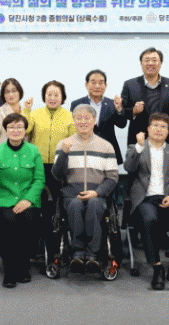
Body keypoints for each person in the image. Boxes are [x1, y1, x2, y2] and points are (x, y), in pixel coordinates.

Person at [124, 112, 169, 290]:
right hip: (146, 199)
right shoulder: (136, 147)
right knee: (149, 219)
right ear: (148, 128)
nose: (159, 129)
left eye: (163, 126)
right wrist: (139, 147)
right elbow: (128, 167)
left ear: (168, 131)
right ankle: (157, 267)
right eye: (155, 125)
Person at [0, 113, 44, 288]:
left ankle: (23, 266)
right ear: (6, 130)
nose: (16, 131)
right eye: (11, 127)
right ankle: (9, 270)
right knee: (9, 222)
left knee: (29, 220)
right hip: (3, 200)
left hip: (28, 200)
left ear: (25, 130)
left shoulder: (34, 151)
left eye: (19, 127)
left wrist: (28, 200)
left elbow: (39, 179)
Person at [52, 105, 118, 273]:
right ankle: (78, 252)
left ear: (94, 121)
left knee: (94, 204)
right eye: (79, 118)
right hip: (71, 194)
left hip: (98, 194)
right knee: (75, 205)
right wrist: (64, 153)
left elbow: (112, 177)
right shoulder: (64, 144)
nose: (83, 122)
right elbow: (57, 174)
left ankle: (93, 254)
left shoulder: (106, 146)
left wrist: (97, 192)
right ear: (74, 121)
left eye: (87, 118)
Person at [121, 47, 169, 148]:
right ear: (141, 63)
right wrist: (133, 111)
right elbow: (122, 114)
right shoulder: (130, 85)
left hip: (166, 141)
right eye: (147, 60)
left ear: (160, 63)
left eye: (154, 60)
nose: (150, 63)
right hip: (138, 141)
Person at [25, 80, 76, 198]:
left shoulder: (69, 116)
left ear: (62, 97)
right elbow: (25, 130)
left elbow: (73, 140)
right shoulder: (35, 114)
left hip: (59, 164)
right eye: (49, 94)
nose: (52, 98)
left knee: (58, 195)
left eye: (56, 95)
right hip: (38, 163)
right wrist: (27, 110)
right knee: (37, 195)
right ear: (44, 96)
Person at [70, 69, 128, 165]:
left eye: (101, 83)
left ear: (105, 85)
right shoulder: (77, 104)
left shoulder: (112, 104)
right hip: (84, 150)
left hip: (108, 150)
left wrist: (119, 109)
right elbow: (74, 127)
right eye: (93, 83)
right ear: (86, 85)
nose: (97, 86)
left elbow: (122, 125)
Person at [0, 78, 29, 145]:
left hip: (23, 150)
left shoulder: (26, 111)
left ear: (20, 92)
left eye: (14, 91)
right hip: (3, 150)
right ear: (3, 95)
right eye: (7, 92)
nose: (11, 95)